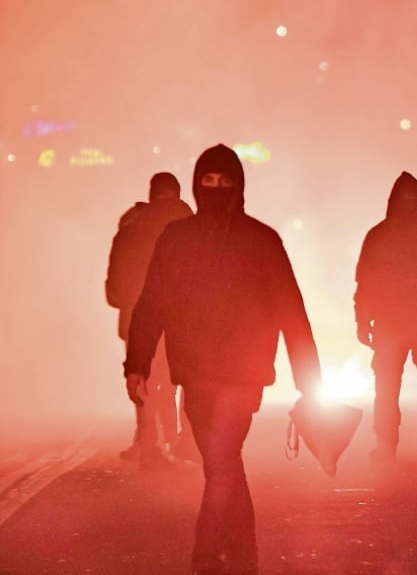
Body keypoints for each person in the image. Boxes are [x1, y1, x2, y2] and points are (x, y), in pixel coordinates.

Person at [124, 144, 323, 573]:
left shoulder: (260, 241)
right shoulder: (177, 239)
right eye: (209, 181)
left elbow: (291, 309)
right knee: (224, 463)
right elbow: (151, 303)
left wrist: (310, 378)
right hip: (195, 374)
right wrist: (137, 362)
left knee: (219, 461)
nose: (216, 189)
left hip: (242, 373)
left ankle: (207, 556)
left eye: (224, 181)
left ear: (238, 185)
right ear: (197, 185)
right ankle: (244, 555)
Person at [355, 172, 417, 465]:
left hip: (392, 325)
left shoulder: (379, 234)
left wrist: (362, 321)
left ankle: (386, 448)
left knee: (387, 390)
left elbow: (365, 283)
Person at [106, 172, 192, 468]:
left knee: (141, 378)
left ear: (152, 193)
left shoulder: (131, 225)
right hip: (179, 317)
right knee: (176, 379)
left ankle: (147, 444)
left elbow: (114, 288)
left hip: (134, 316)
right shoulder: (190, 223)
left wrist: (127, 301)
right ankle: (179, 441)